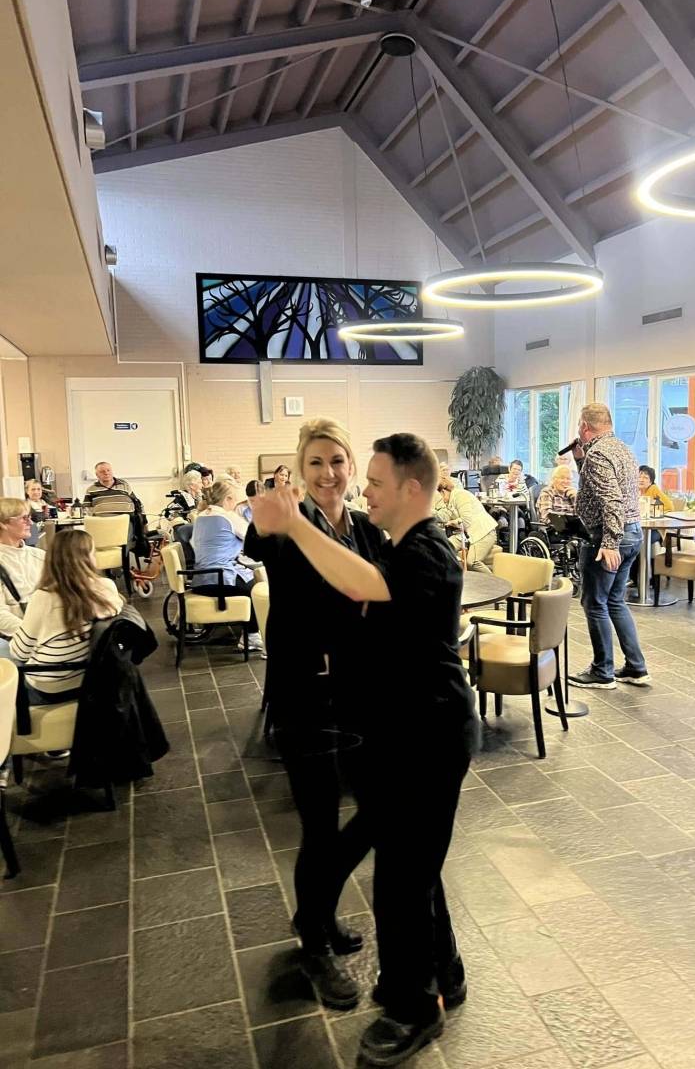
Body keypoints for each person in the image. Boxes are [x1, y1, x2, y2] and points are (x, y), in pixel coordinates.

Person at [251, 433, 478, 1067]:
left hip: (428, 737)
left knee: (401, 880)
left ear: (411, 488)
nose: (365, 490)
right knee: (414, 868)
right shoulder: (398, 544)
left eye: (375, 481)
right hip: (405, 735)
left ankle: (413, 1008)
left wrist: (297, 524)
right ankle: (445, 972)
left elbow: (365, 585)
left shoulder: (423, 552)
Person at [244, 419, 385, 1012]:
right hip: (306, 695)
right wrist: (269, 515)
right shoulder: (287, 527)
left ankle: (316, 913)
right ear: (301, 471)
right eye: (316, 463)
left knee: (375, 810)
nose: (329, 473)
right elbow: (259, 538)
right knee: (321, 824)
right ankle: (315, 943)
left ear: (351, 466)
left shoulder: (366, 529)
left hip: (359, 695)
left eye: (338, 461)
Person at [570, 402, 649, 689]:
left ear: (584, 427)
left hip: (608, 538)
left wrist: (610, 542)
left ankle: (602, 671)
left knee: (594, 603)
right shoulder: (622, 449)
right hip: (633, 532)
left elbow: (612, 500)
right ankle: (636, 668)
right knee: (615, 601)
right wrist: (580, 461)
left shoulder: (598, 453)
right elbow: (597, 488)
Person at [9, 529, 122, 704]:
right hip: (94, 676)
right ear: (87, 558)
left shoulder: (44, 596)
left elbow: (20, 652)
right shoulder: (107, 587)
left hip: (52, 686)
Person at [190, 480, 263, 653]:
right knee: (258, 587)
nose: (236, 503)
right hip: (221, 580)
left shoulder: (200, 517)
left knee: (251, 578)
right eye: (235, 499)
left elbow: (196, 545)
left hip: (200, 580)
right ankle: (252, 636)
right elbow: (255, 538)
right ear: (228, 499)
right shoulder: (229, 517)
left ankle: (250, 629)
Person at [0, 499, 46, 660]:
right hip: (14, 639)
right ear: (4, 524)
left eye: (30, 517)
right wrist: (33, 634)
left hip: (48, 634)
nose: (30, 523)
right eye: (24, 518)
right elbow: (1, 616)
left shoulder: (40, 556)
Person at [436, 475, 497, 572]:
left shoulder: (460, 495)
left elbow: (465, 521)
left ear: (443, 491)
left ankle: (493, 581)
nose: (440, 500)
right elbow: (445, 517)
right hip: (465, 535)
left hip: (483, 533)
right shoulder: (449, 502)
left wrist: (452, 522)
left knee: (472, 562)